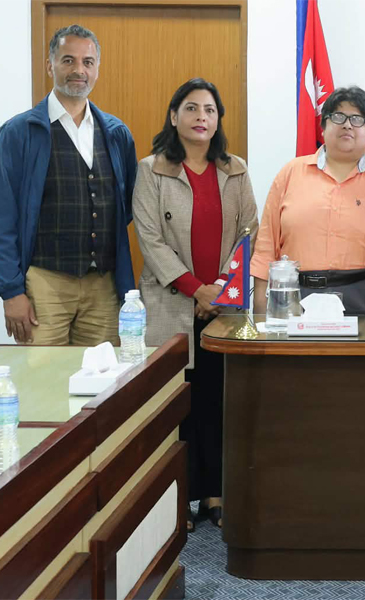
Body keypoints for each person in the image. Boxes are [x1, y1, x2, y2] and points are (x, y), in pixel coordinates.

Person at [132, 78, 258, 531]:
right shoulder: (152, 170)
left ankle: (214, 492)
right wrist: (195, 289)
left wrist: (219, 289)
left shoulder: (235, 169)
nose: (201, 117)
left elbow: (250, 232)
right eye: (191, 108)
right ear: (174, 116)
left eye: (209, 109)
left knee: (217, 399)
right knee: (174, 403)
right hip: (171, 302)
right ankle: (177, 493)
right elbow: (149, 238)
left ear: (218, 119)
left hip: (223, 306)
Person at [0, 24, 137, 345]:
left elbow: (127, 208)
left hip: (103, 287)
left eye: (87, 62)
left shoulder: (116, 134)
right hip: (43, 285)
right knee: (42, 375)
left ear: (97, 69)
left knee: (104, 376)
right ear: (50, 65)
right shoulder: (18, 134)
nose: (79, 70)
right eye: (68, 60)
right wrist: (10, 292)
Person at [252, 86, 365, 315]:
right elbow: (266, 245)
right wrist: (261, 309)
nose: (347, 125)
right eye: (338, 116)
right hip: (297, 298)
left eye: (358, 119)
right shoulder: (290, 173)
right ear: (323, 127)